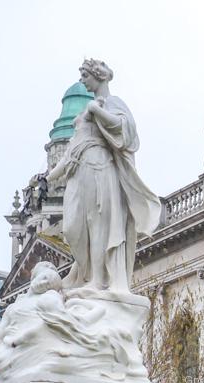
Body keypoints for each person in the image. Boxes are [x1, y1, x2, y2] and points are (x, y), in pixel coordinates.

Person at [46, 58, 161, 295]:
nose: (81, 80)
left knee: (98, 225)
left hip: (101, 169)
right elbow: (70, 153)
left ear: (97, 76)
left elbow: (126, 131)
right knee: (71, 228)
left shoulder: (112, 103)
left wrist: (97, 110)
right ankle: (84, 272)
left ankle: (97, 280)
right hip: (79, 171)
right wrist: (49, 178)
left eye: (85, 76)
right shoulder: (85, 113)